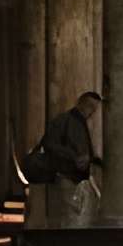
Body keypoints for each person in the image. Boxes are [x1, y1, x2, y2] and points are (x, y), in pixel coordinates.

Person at [31, 90, 103, 228]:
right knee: (66, 218)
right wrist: (74, 157)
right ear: (80, 103)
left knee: (77, 218)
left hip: (79, 178)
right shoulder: (63, 120)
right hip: (65, 176)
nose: (92, 112)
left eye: (94, 108)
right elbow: (49, 144)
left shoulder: (81, 123)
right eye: (90, 106)